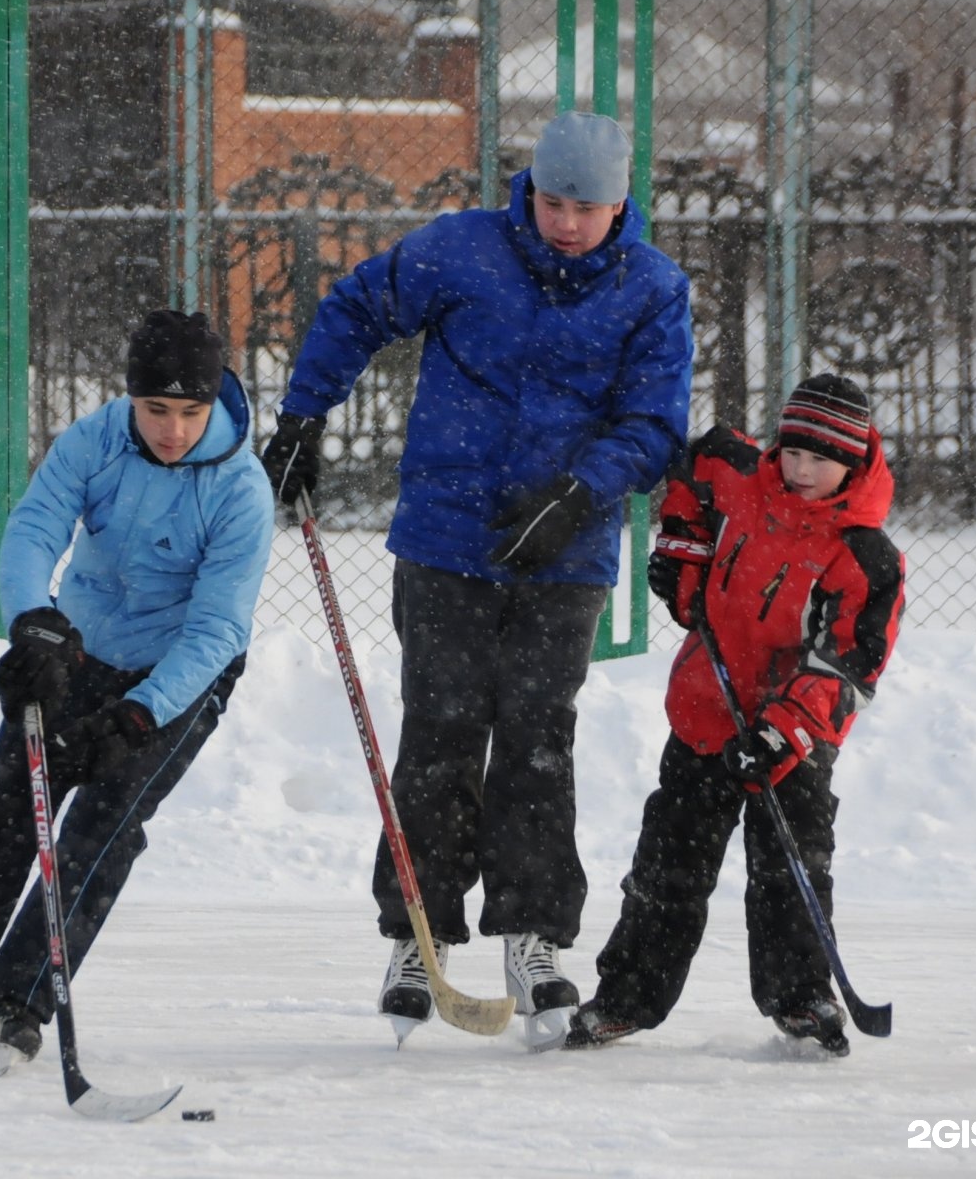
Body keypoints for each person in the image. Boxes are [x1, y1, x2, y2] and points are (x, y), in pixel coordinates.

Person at [260, 111, 693, 1050]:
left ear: (621, 204)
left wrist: (580, 493)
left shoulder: (651, 289)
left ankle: (531, 934)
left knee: (538, 738)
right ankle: (418, 934)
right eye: (553, 200)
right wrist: (303, 416)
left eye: (587, 206)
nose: (566, 223)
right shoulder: (461, 250)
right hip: (445, 544)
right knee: (441, 731)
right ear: (527, 188)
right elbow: (354, 308)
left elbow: (655, 423)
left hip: (564, 554)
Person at [0, 309, 274, 1062]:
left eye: (190, 412)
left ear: (214, 401)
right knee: (2, 800)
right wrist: (34, 623)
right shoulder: (94, 442)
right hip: (82, 648)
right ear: (129, 398)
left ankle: (19, 997)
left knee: (101, 827)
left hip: (175, 676)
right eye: (156, 410)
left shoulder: (239, 490)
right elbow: (34, 529)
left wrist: (138, 716)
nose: (173, 430)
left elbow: (218, 629)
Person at [565, 373, 905, 1057]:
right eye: (793, 453)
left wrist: (782, 729)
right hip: (705, 706)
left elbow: (845, 667)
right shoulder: (741, 473)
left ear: (853, 461)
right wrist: (683, 555)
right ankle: (627, 996)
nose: (802, 470)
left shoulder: (864, 556)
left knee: (791, 868)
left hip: (792, 739)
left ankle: (801, 997)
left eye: (821, 459)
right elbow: (697, 466)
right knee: (668, 866)